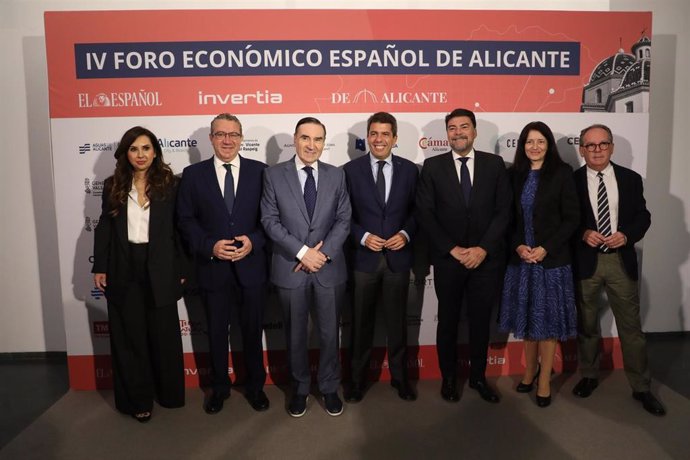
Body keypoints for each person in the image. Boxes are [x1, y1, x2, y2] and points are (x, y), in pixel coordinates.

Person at [416, 108, 511, 403]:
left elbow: (504, 211)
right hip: (449, 261)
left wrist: (483, 248)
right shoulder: (432, 166)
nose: (458, 132)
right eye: (452, 128)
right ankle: (448, 379)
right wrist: (451, 249)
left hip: (485, 260)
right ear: (447, 133)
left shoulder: (495, 165)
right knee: (447, 322)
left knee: (481, 322)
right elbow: (426, 214)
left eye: (464, 127)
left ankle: (479, 378)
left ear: (475, 131)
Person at [177, 114, 269, 414]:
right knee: (216, 332)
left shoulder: (261, 172)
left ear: (241, 138)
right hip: (212, 269)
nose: (227, 140)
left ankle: (255, 387)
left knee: (253, 332)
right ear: (211, 139)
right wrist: (209, 246)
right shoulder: (192, 175)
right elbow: (185, 220)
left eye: (233, 134)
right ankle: (219, 388)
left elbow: (271, 218)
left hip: (251, 268)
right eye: (220, 134)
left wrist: (254, 240)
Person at [92, 126, 186, 423]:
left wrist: (183, 268)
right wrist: (100, 266)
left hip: (161, 264)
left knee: (163, 334)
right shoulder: (112, 185)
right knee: (130, 335)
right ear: (126, 153)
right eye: (134, 149)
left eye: (146, 148)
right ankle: (138, 399)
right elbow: (105, 227)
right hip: (123, 265)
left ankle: (169, 394)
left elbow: (179, 229)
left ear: (155, 151)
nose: (140, 154)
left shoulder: (170, 184)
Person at [571, 124, 665, 416]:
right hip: (585, 260)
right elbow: (563, 218)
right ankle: (588, 375)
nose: (596, 150)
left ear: (611, 147)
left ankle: (641, 387)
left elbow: (643, 216)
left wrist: (626, 234)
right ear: (582, 149)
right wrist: (583, 232)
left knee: (631, 328)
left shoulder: (631, 179)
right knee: (587, 324)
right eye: (590, 145)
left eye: (602, 144)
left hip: (619, 259)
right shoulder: (570, 181)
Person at [261, 117, 351, 417]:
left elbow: (343, 219)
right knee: (295, 335)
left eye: (318, 139)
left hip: (329, 269)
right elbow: (269, 221)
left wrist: (321, 256)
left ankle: (328, 388)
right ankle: (299, 389)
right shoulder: (273, 175)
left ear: (324, 142)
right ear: (295, 140)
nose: (311, 145)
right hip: (290, 267)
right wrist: (302, 252)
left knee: (329, 335)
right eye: (305, 138)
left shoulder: (336, 175)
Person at [498, 121, 579, 407]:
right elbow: (506, 219)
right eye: (529, 142)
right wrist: (519, 246)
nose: (534, 147)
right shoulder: (513, 176)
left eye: (540, 142)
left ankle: (544, 379)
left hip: (551, 261)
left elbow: (572, 218)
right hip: (521, 262)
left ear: (549, 145)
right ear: (522, 146)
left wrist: (545, 248)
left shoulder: (562, 173)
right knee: (527, 320)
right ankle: (529, 371)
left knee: (548, 324)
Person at [343, 112, 418, 403]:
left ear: (395, 139)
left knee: (398, 325)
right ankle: (357, 382)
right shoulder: (350, 171)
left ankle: (401, 380)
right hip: (364, 260)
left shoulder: (410, 170)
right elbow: (342, 215)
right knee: (360, 324)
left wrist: (406, 234)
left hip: (398, 259)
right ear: (367, 137)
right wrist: (362, 236)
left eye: (385, 134)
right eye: (374, 133)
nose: (379, 139)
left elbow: (417, 212)